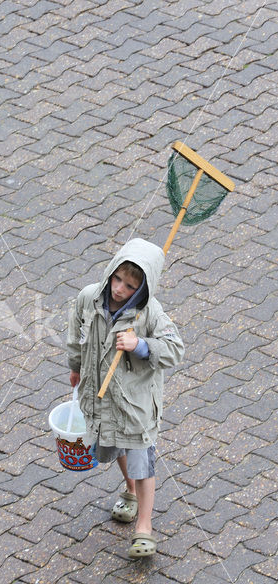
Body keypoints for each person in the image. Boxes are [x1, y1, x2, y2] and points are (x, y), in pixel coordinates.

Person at [67, 238, 184, 557]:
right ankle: (130, 493)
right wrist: (75, 365)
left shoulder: (151, 313)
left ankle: (144, 527)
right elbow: (76, 332)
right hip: (101, 399)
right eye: (117, 279)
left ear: (143, 289)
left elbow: (175, 349)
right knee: (113, 444)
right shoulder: (89, 298)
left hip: (135, 405)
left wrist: (141, 345)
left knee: (141, 460)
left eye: (130, 286)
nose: (118, 289)